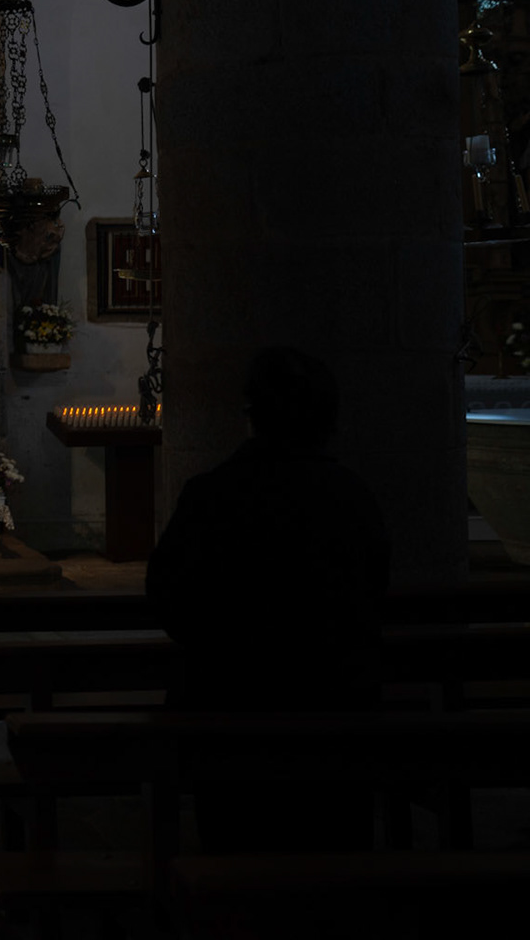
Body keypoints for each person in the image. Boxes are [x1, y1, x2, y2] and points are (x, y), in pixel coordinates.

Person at [145, 346, 390, 852]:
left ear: (251, 417)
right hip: (336, 714)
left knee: (238, 854)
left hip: (229, 712)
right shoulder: (353, 496)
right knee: (336, 856)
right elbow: (374, 593)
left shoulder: (212, 495)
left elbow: (168, 597)